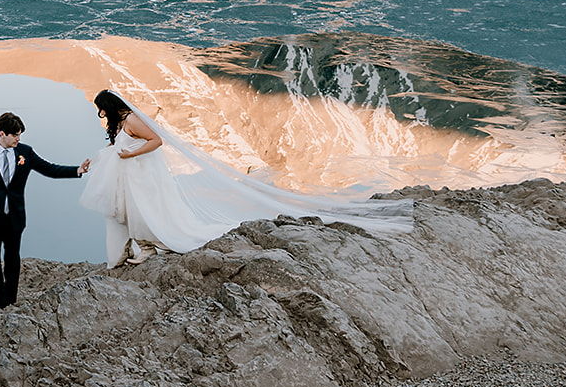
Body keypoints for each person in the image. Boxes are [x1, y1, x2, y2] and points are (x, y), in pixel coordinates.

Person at [78, 89, 413, 267]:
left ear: (108, 105)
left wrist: (131, 155)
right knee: (140, 214)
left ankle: (155, 246)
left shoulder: (133, 120)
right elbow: (118, 149)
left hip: (145, 177)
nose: (99, 113)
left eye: (100, 107)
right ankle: (147, 248)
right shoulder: (120, 125)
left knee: (154, 213)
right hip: (136, 180)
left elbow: (156, 142)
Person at [0, 111, 87, 308]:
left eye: (20, 135)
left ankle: (10, 300)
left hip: (15, 217)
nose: (18, 139)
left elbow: (49, 169)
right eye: (15, 135)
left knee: (12, 258)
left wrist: (77, 170)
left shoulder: (25, 153)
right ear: (2, 133)